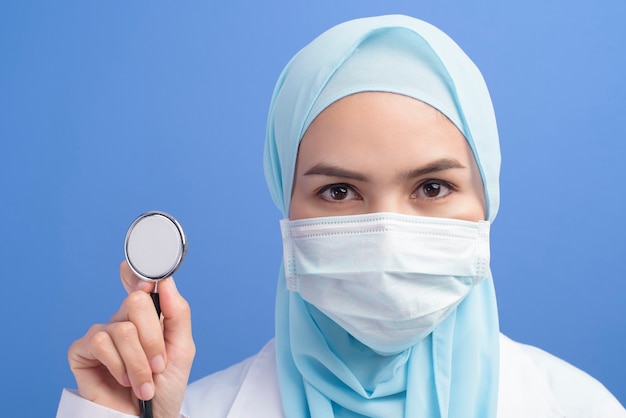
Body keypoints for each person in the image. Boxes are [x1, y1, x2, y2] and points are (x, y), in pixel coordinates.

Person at [56, 14, 625, 418]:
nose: (387, 237)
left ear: (487, 201)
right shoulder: (187, 412)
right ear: (287, 202)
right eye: (338, 192)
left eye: (432, 186)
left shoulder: (582, 408)